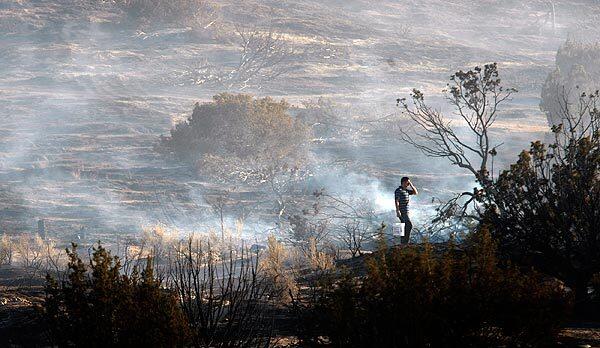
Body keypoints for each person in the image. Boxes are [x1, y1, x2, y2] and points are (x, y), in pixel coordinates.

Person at [394, 177, 418, 244]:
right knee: (409, 225)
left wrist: (411, 185)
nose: (408, 184)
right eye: (407, 182)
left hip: (406, 211)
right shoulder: (399, 190)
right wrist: (397, 211)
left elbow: (416, 193)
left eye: (408, 183)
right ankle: (405, 242)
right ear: (404, 182)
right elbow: (396, 201)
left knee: (403, 226)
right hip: (402, 211)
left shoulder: (406, 191)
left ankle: (401, 242)